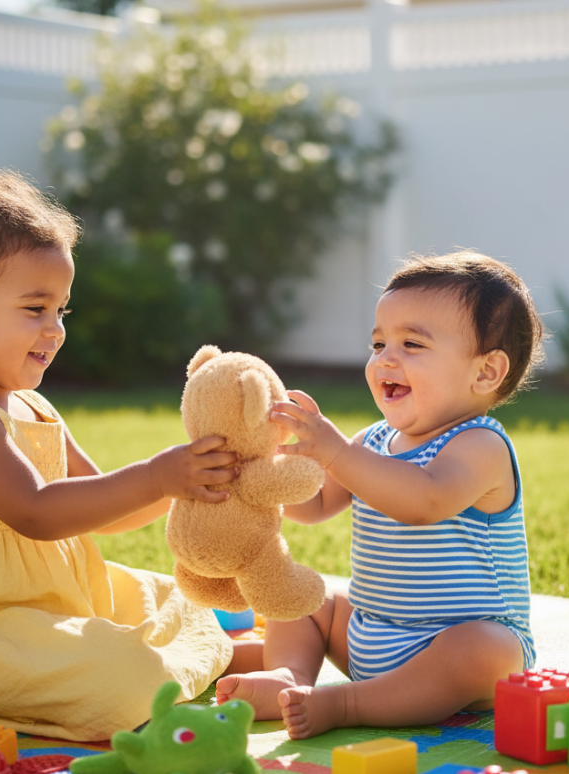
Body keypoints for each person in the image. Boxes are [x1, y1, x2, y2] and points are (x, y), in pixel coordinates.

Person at [0, 157, 260, 742]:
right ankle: (189, 684)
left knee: (178, 597)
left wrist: (194, 477)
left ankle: (217, 670)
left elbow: (112, 513)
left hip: (53, 607)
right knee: (125, 672)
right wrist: (158, 475)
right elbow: (38, 511)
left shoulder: (34, 407)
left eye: (60, 310)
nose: (56, 329)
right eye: (34, 308)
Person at [216, 251, 545, 739]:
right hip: (370, 634)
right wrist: (263, 468)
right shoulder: (370, 442)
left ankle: (345, 704)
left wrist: (334, 452)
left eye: (411, 343)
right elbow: (316, 505)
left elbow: (424, 501)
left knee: (486, 647)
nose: (385, 358)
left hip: (458, 650)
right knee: (310, 596)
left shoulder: (481, 445)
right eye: (377, 343)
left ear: (485, 373)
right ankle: (289, 677)